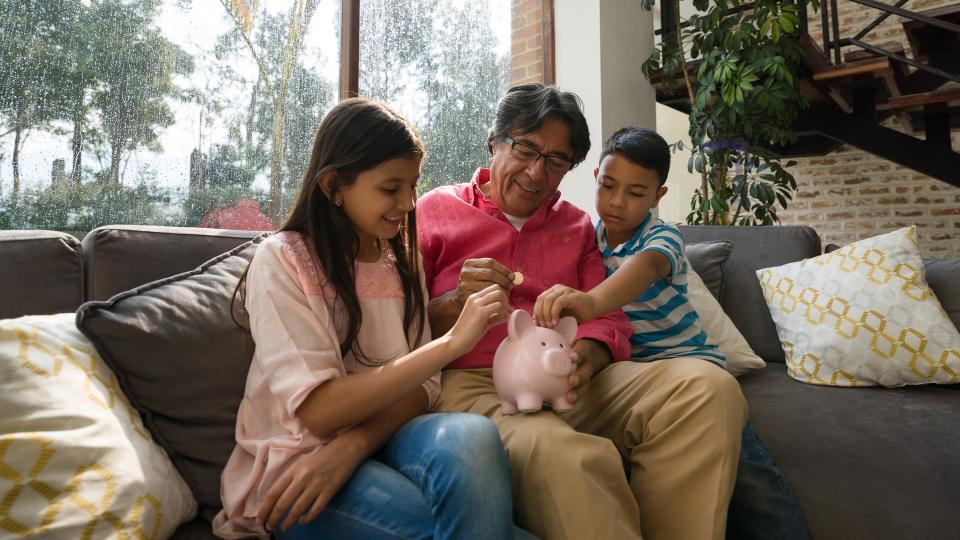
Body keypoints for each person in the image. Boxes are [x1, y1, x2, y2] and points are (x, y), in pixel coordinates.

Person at [416, 83, 747, 540]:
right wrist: (454, 303)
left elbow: (607, 317)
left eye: (555, 161)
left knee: (708, 390)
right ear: (494, 142)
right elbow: (398, 325)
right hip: (477, 387)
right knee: (567, 458)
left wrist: (588, 357)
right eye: (525, 148)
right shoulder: (434, 210)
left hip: (571, 378)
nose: (536, 172)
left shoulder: (577, 225)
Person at [213, 98, 533, 539]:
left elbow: (424, 387)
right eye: (390, 188)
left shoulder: (400, 259)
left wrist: (355, 444)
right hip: (297, 470)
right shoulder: (285, 259)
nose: (407, 202)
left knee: (472, 436)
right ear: (334, 186)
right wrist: (454, 342)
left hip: (379, 442)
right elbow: (320, 411)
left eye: (413, 185)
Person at [533, 126, 811, 540]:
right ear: (595, 177)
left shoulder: (661, 238)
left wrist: (591, 302)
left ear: (658, 197)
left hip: (688, 367)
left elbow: (642, 270)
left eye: (636, 193)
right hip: (633, 377)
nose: (617, 202)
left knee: (751, 479)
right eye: (608, 186)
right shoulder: (587, 238)